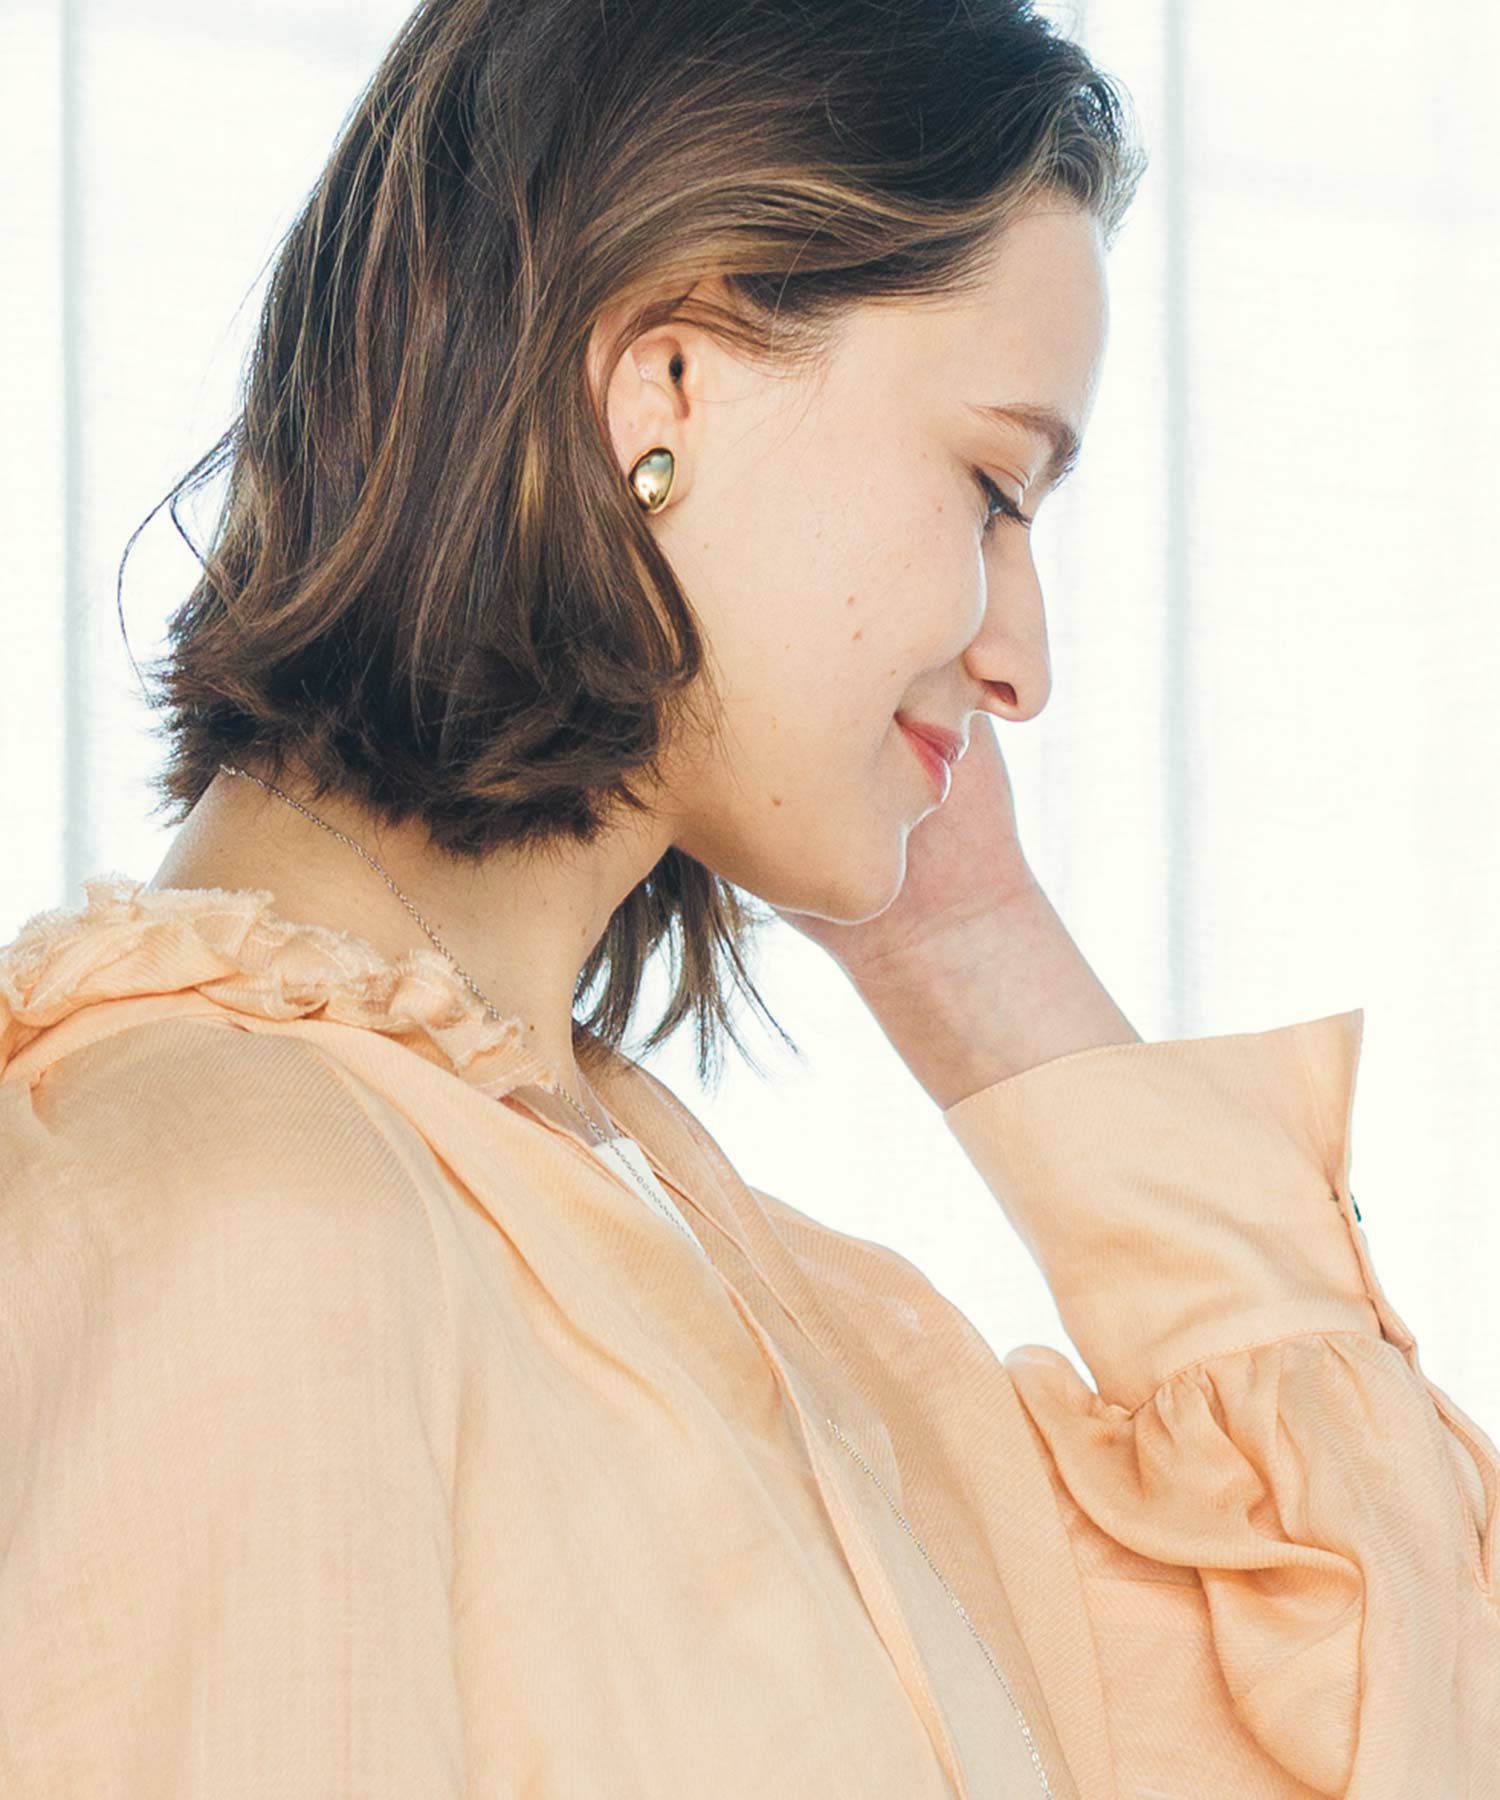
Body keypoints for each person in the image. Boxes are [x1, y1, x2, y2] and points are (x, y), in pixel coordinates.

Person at [1, 0, 1495, 1793]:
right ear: (666, 388)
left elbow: (1397, 1700)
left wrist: (967, 937)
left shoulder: (678, 1269)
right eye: (993, 489)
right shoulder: (247, 1210)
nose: (1024, 662)